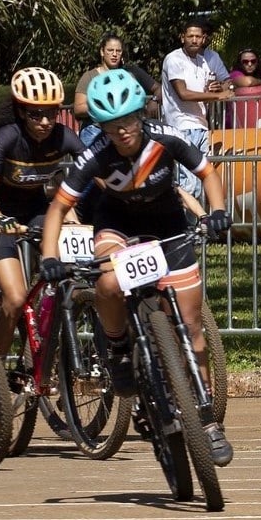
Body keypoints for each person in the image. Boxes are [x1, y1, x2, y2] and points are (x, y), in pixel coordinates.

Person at [39, 69, 235, 464]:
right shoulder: (95, 155)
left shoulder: (166, 138)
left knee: (192, 331)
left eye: (128, 121)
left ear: (140, 115)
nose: (122, 131)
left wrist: (217, 211)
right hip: (119, 226)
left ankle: (207, 419)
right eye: (112, 126)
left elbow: (208, 174)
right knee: (108, 284)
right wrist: (49, 257)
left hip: (168, 226)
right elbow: (59, 207)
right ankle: (118, 349)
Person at [0, 69, 84, 356]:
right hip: (2, 217)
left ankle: (48, 356)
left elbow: (98, 171)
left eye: (52, 113)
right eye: (37, 114)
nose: (46, 122)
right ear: (22, 112)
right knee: (14, 297)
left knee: (65, 278)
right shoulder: (8, 136)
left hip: (37, 212)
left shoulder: (63, 136)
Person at [161, 20, 232, 193]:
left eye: (198, 36)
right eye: (190, 36)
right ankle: (183, 220)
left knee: (199, 183)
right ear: (182, 37)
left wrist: (218, 88)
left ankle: (195, 220)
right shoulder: (174, 59)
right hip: (181, 126)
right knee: (187, 182)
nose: (194, 40)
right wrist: (217, 95)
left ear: (204, 39)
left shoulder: (204, 61)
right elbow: (183, 94)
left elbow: (224, 84)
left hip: (201, 126)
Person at [71, 36, 160, 128]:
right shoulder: (89, 76)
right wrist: (105, 104)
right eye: (110, 50)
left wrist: (154, 100)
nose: (114, 54)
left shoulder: (131, 73)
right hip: (96, 128)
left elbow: (159, 88)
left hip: (128, 128)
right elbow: (78, 108)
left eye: (118, 51)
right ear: (102, 52)